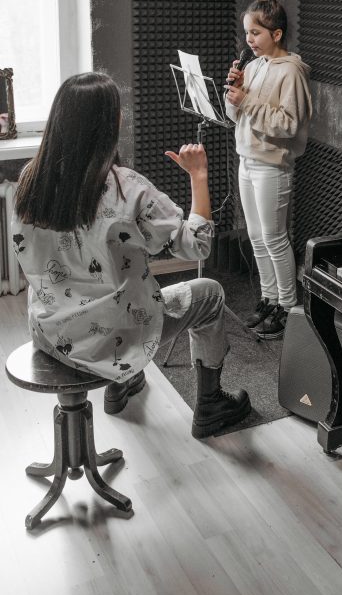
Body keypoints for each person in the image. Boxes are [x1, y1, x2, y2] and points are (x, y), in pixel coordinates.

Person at [12, 72, 251, 439]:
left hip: (50, 330)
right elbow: (196, 245)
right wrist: (198, 176)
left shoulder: (31, 179)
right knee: (210, 294)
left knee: (108, 292)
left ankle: (123, 382)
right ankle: (212, 405)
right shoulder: (128, 188)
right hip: (114, 335)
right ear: (112, 123)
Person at [225, 0, 312, 339]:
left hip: (272, 165)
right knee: (257, 238)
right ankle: (268, 298)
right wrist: (234, 95)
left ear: (276, 33)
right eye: (247, 32)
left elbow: (289, 125)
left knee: (275, 238)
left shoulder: (291, 72)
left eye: (256, 32)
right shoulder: (256, 65)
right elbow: (238, 118)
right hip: (247, 159)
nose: (250, 39)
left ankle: (288, 307)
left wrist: (245, 101)